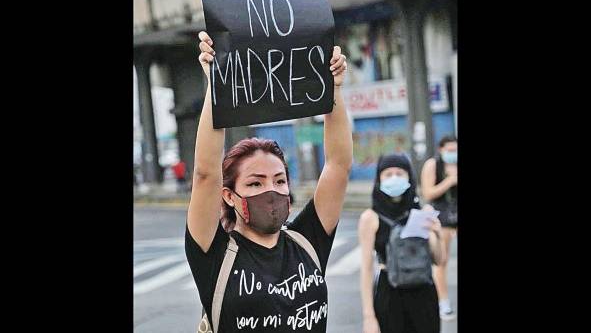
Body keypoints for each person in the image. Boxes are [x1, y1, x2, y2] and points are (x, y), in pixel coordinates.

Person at [185, 31, 352, 333]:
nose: (270, 190)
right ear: (229, 195)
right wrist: (217, 86)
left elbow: (338, 166)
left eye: (278, 180)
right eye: (254, 184)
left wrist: (335, 91)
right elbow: (205, 173)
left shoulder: (307, 242)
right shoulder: (214, 254)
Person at [358, 153, 444, 333]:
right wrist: (368, 316)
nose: (394, 178)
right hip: (389, 293)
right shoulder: (370, 218)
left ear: (409, 178)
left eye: (400, 173)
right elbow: (366, 269)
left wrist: (437, 233)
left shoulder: (423, 213)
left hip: (424, 292)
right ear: (379, 179)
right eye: (388, 174)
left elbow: (439, 260)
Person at [420, 135, 458, 320]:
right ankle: (443, 302)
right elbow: (428, 193)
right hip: (441, 217)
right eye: (449, 150)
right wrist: (449, 181)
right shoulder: (433, 165)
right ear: (441, 149)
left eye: (455, 150)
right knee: (441, 261)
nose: (453, 154)